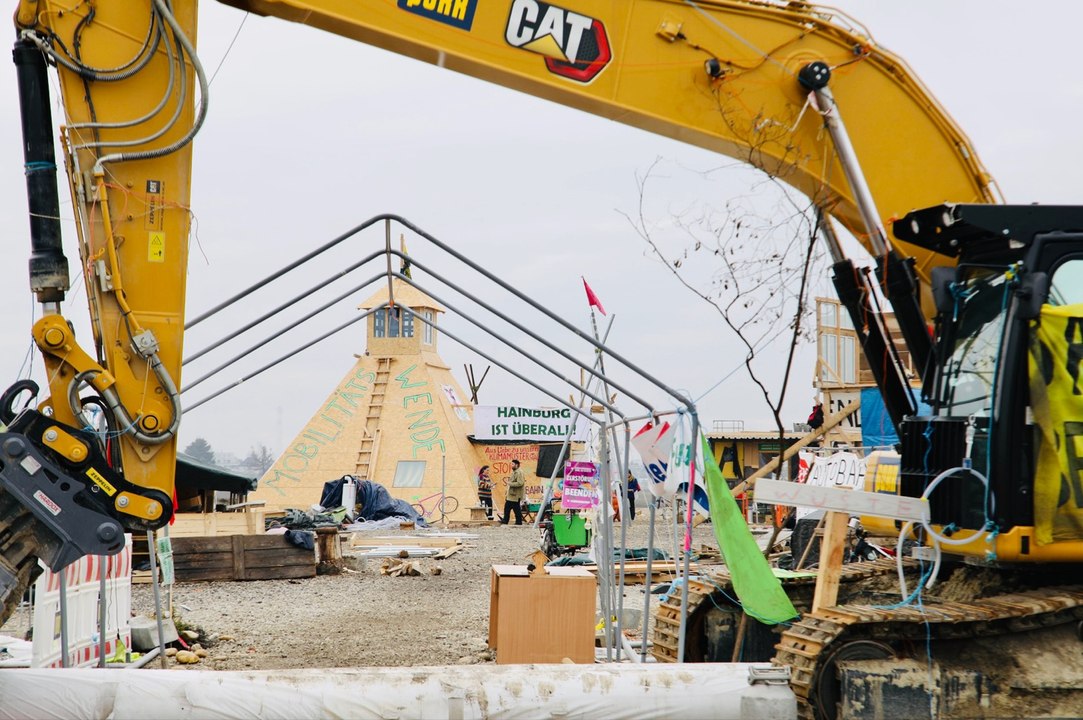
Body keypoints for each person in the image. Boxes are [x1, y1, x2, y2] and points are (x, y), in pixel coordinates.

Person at [500, 459, 525, 525]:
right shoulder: (515, 472)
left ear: (516, 465)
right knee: (513, 508)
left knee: (511, 508)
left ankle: (507, 521)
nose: (511, 465)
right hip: (512, 494)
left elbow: (520, 483)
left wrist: (510, 483)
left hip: (515, 495)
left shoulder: (519, 472)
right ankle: (516, 521)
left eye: (513, 464)